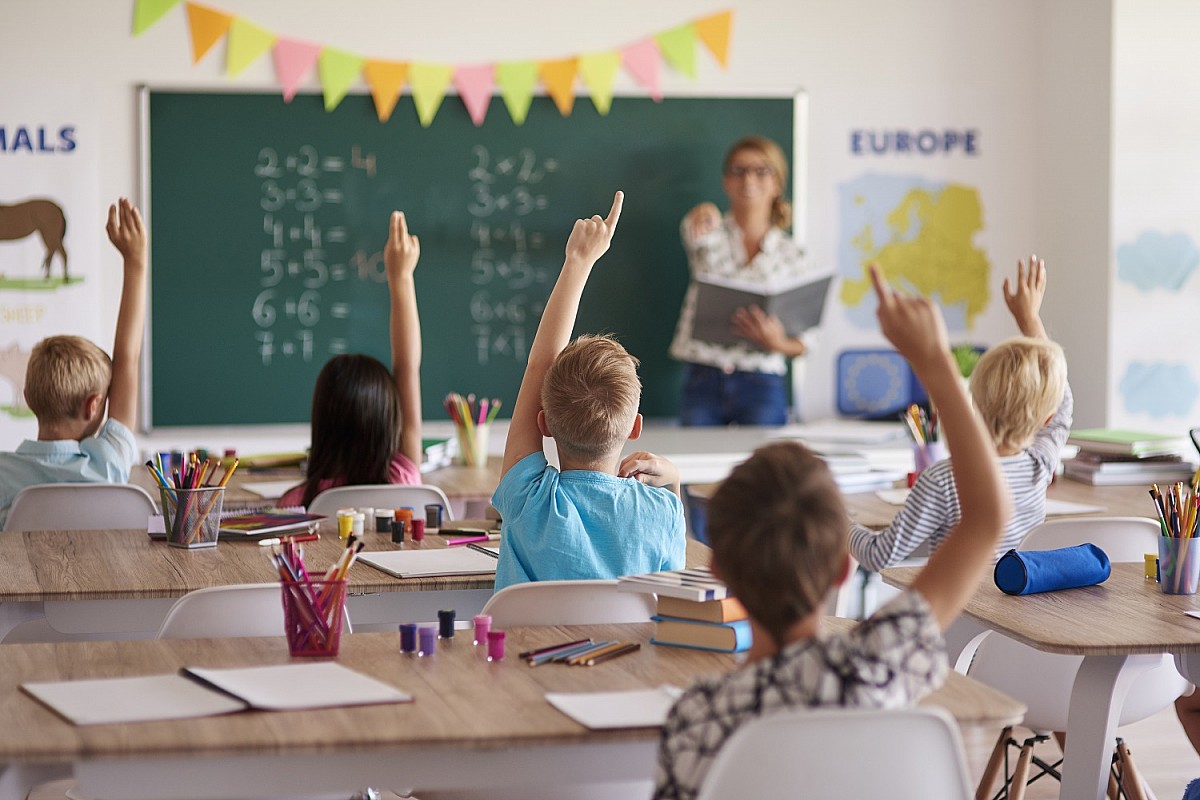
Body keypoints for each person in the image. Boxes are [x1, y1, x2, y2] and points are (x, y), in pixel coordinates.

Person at [652, 264, 1012, 799]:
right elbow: (987, 518)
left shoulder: (699, 718)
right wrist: (935, 364)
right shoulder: (876, 666)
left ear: (718, 570)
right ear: (844, 565)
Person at [492, 191, 686, 592]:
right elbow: (671, 597)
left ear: (543, 423)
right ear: (634, 426)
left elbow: (538, 366)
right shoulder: (661, 512)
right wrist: (673, 482)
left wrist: (577, 263)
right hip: (628, 656)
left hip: (523, 656)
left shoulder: (530, 502)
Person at [849, 255, 1071, 572]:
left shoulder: (943, 480)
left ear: (974, 402)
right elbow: (1062, 403)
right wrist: (1029, 319)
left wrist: (839, 521)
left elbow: (877, 555)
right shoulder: (1040, 467)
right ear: (1046, 419)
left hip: (957, 616)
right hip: (1011, 615)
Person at [0, 199, 148, 528]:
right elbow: (128, 358)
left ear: (27, 397)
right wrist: (135, 260)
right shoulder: (107, 464)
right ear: (95, 404)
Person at [668, 135, 815, 426]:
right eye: (739, 170)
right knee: (697, 466)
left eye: (761, 171)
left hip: (762, 381)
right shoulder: (708, 232)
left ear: (777, 183)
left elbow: (807, 341)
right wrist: (702, 213)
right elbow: (692, 230)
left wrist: (778, 343)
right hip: (703, 376)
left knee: (766, 469)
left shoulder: (793, 255)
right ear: (726, 181)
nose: (749, 179)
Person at [280, 211, 423, 508]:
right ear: (390, 421)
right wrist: (402, 278)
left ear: (322, 422)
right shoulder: (403, 479)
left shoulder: (298, 504)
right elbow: (407, 366)